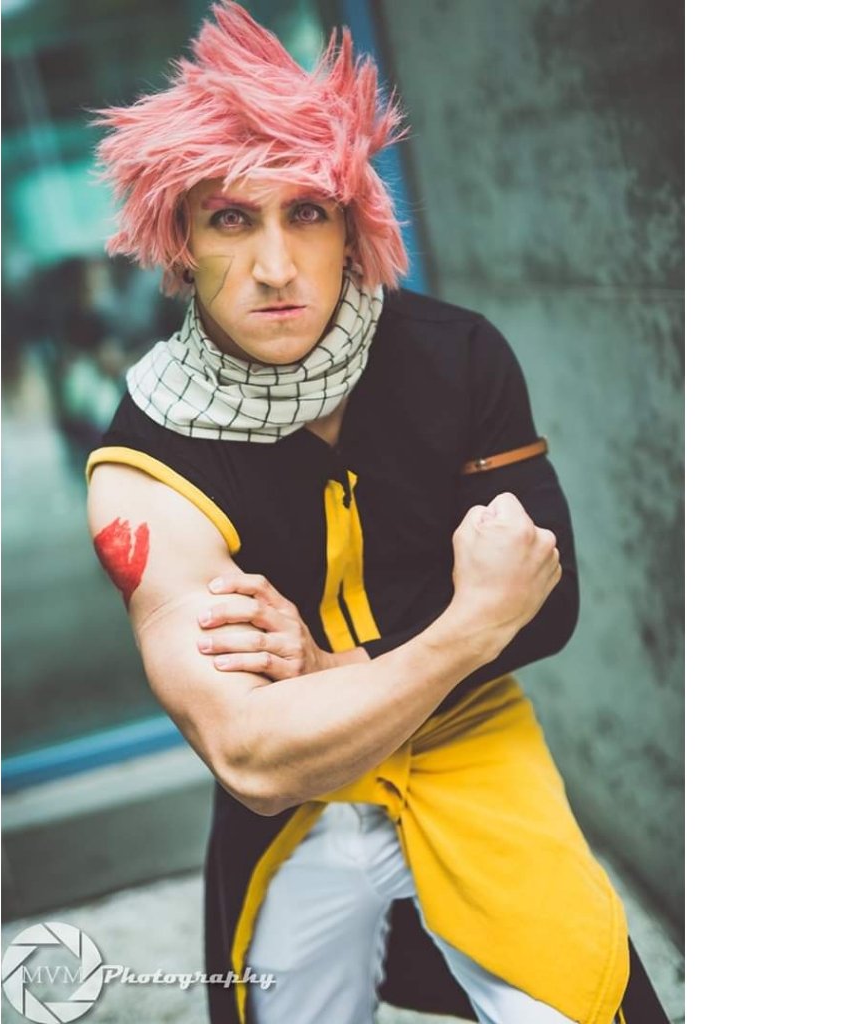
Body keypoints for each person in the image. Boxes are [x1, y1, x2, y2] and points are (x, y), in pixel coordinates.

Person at [85, 4, 671, 1022]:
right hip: (300, 802)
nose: (275, 266)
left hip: (471, 744)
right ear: (180, 244)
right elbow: (253, 754)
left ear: (354, 227)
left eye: (307, 213)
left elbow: (552, 598)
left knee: (585, 997)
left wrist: (331, 669)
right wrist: (468, 622)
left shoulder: (455, 354)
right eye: (231, 219)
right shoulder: (144, 460)